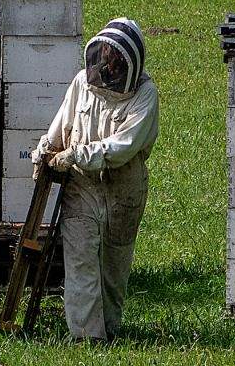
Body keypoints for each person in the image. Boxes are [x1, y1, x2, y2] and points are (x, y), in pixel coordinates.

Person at [30, 17, 159, 342]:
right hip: (82, 187)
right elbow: (61, 127)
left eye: (116, 63)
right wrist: (45, 150)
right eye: (105, 58)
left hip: (123, 188)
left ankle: (110, 331)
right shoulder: (81, 84)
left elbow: (123, 147)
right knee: (81, 261)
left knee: (113, 268)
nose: (108, 68)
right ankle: (88, 340)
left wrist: (77, 154)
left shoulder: (145, 95)